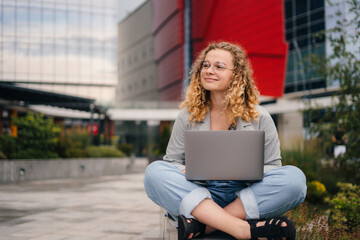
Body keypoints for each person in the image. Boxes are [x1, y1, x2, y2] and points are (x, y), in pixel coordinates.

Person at [144, 42, 307, 240]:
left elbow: (273, 167)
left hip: (245, 194)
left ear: (236, 75)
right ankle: (242, 229)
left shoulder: (260, 116)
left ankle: (204, 226)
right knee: (154, 172)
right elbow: (171, 162)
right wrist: (184, 170)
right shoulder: (187, 115)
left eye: (219, 67)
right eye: (205, 65)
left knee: (295, 179)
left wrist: (249, 170)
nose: (209, 71)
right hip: (201, 193)